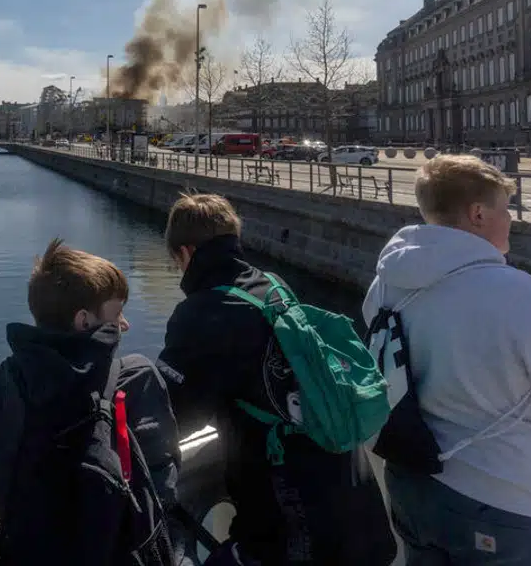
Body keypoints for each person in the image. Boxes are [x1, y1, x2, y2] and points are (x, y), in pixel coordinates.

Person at [364, 155, 531, 566]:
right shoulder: (516, 294)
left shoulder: (386, 282)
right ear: (478, 214)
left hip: (412, 485)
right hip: (507, 502)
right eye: (506, 209)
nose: (512, 220)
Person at [0, 238, 180, 565]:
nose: (124, 324)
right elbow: (164, 494)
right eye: (117, 313)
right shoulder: (138, 379)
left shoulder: (2, 385)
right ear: (84, 320)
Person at [156, 192, 395, 566]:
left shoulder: (201, 313)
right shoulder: (273, 286)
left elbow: (173, 414)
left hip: (290, 523)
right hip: (354, 500)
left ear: (185, 253)